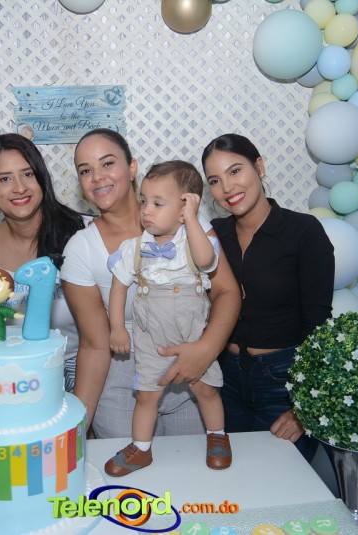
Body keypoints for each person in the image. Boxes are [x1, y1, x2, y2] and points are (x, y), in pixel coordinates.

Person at [61, 128, 241, 441]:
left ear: (132, 167)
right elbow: (94, 344)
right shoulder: (81, 248)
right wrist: (76, 433)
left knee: (191, 465)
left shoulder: (187, 221)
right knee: (132, 468)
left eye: (107, 163)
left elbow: (226, 291)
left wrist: (207, 348)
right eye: (85, 171)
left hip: (189, 363)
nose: (98, 177)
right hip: (123, 376)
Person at [201, 133, 335, 460]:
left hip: (285, 383)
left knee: (282, 480)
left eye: (235, 171)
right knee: (230, 477)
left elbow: (318, 326)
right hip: (224, 380)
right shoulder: (213, 235)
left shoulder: (303, 232)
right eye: (215, 181)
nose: (227, 187)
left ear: (259, 167)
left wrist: (304, 407)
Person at [103, 160, 230, 476]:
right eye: (144, 200)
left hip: (192, 333)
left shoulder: (194, 242)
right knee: (147, 395)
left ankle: (217, 436)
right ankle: (141, 448)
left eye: (158, 204)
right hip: (152, 336)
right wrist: (117, 327)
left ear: (185, 206)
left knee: (206, 390)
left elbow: (206, 261)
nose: (146, 210)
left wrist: (192, 220)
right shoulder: (134, 248)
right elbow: (118, 287)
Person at [0, 133, 87, 391]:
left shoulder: (83, 234)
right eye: (4, 179)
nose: (19, 188)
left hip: (82, 371)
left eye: (27, 174)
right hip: (14, 379)